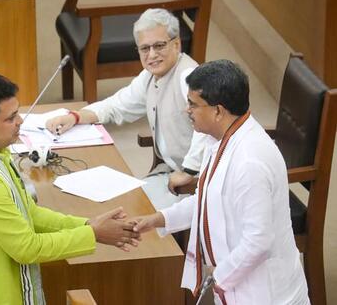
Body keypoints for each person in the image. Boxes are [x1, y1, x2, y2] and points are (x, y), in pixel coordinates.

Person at [0, 72, 141, 305]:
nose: (20, 122)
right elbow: (26, 248)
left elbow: (29, 214)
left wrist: (88, 225)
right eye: (11, 118)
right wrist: (93, 234)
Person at [132, 60, 310, 304]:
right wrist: (159, 219)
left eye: (193, 104)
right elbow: (208, 200)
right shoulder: (220, 137)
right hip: (239, 286)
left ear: (218, 111)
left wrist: (219, 275)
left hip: (266, 295)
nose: (187, 111)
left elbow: (259, 241)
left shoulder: (250, 162)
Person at [46, 8, 211, 211]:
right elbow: (117, 105)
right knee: (115, 208)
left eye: (159, 46)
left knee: (133, 221)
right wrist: (76, 116)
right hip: (167, 173)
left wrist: (188, 171)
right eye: (144, 48)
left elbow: (208, 128)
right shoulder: (150, 76)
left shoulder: (189, 76)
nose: (152, 55)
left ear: (176, 44)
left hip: (198, 181)